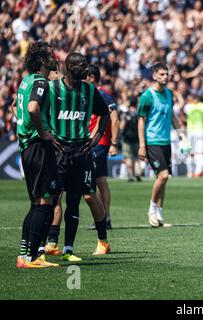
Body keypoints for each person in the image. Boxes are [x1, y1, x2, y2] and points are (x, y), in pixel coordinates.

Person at [44, 52, 111, 261]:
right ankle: (44, 246)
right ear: (70, 67)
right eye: (81, 65)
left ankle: (69, 250)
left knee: (75, 200)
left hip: (81, 152)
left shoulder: (90, 91)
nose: (86, 68)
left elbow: (106, 113)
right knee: (52, 199)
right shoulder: (53, 89)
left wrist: (96, 136)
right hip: (59, 152)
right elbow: (39, 113)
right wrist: (47, 134)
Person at [15, 41, 61, 268]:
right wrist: (42, 132)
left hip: (27, 145)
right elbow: (33, 107)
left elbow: (17, 106)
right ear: (43, 60)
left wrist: (24, 128)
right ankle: (32, 257)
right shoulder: (41, 81)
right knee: (44, 202)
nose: (56, 59)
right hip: (38, 145)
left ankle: (24, 255)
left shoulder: (26, 80)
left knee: (36, 203)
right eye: (52, 56)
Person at [138, 62, 185, 228]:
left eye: (167, 74)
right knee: (163, 176)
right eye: (162, 74)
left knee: (165, 179)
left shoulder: (169, 93)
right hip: (152, 141)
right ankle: (151, 209)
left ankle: (159, 215)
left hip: (166, 141)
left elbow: (172, 115)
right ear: (154, 76)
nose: (165, 77)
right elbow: (141, 120)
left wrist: (181, 134)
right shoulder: (147, 96)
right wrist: (142, 145)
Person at [85, 64, 120, 230]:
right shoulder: (89, 93)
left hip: (100, 142)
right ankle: (104, 217)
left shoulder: (104, 96)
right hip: (91, 142)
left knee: (97, 181)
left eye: (85, 76)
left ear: (92, 78)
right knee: (99, 181)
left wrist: (114, 143)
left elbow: (115, 119)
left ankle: (104, 217)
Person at [120, 96, 141, 182]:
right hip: (137, 138)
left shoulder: (126, 113)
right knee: (136, 157)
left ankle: (130, 175)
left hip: (127, 139)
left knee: (128, 157)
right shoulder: (138, 113)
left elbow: (122, 125)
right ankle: (138, 173)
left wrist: (119, 134)